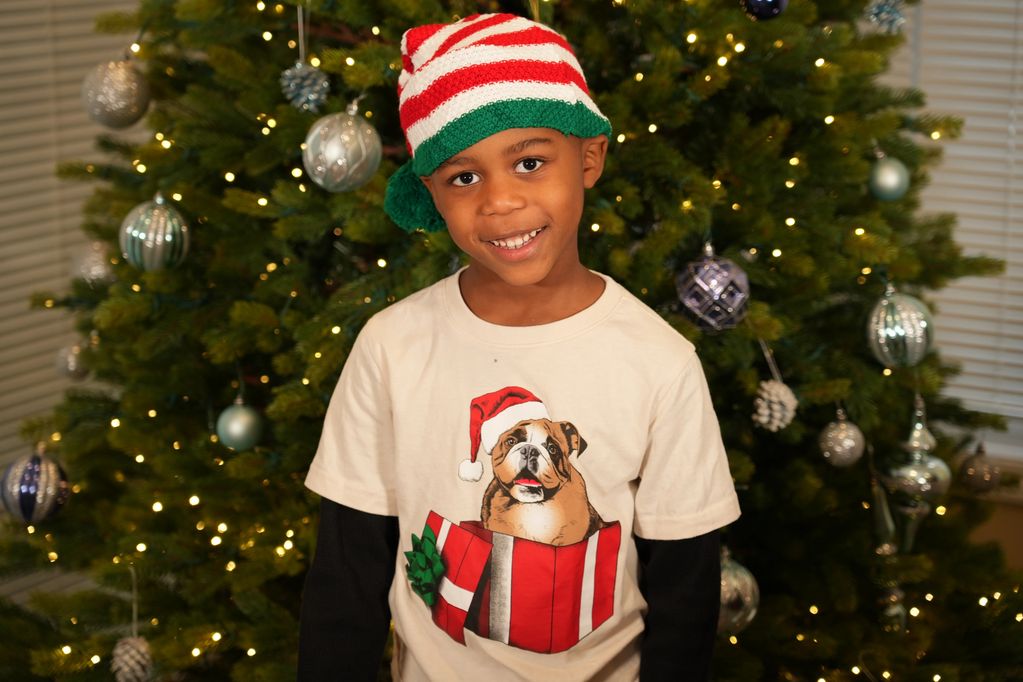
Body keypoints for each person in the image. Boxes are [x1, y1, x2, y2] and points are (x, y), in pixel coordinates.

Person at [299, 12, 740, 682]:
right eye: (463, 178)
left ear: (588, 158)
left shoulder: (660, 361)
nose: (500, 202)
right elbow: (346, 576)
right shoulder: (390, 347)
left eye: (530, 163)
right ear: (430, 193)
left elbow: (685, 593)